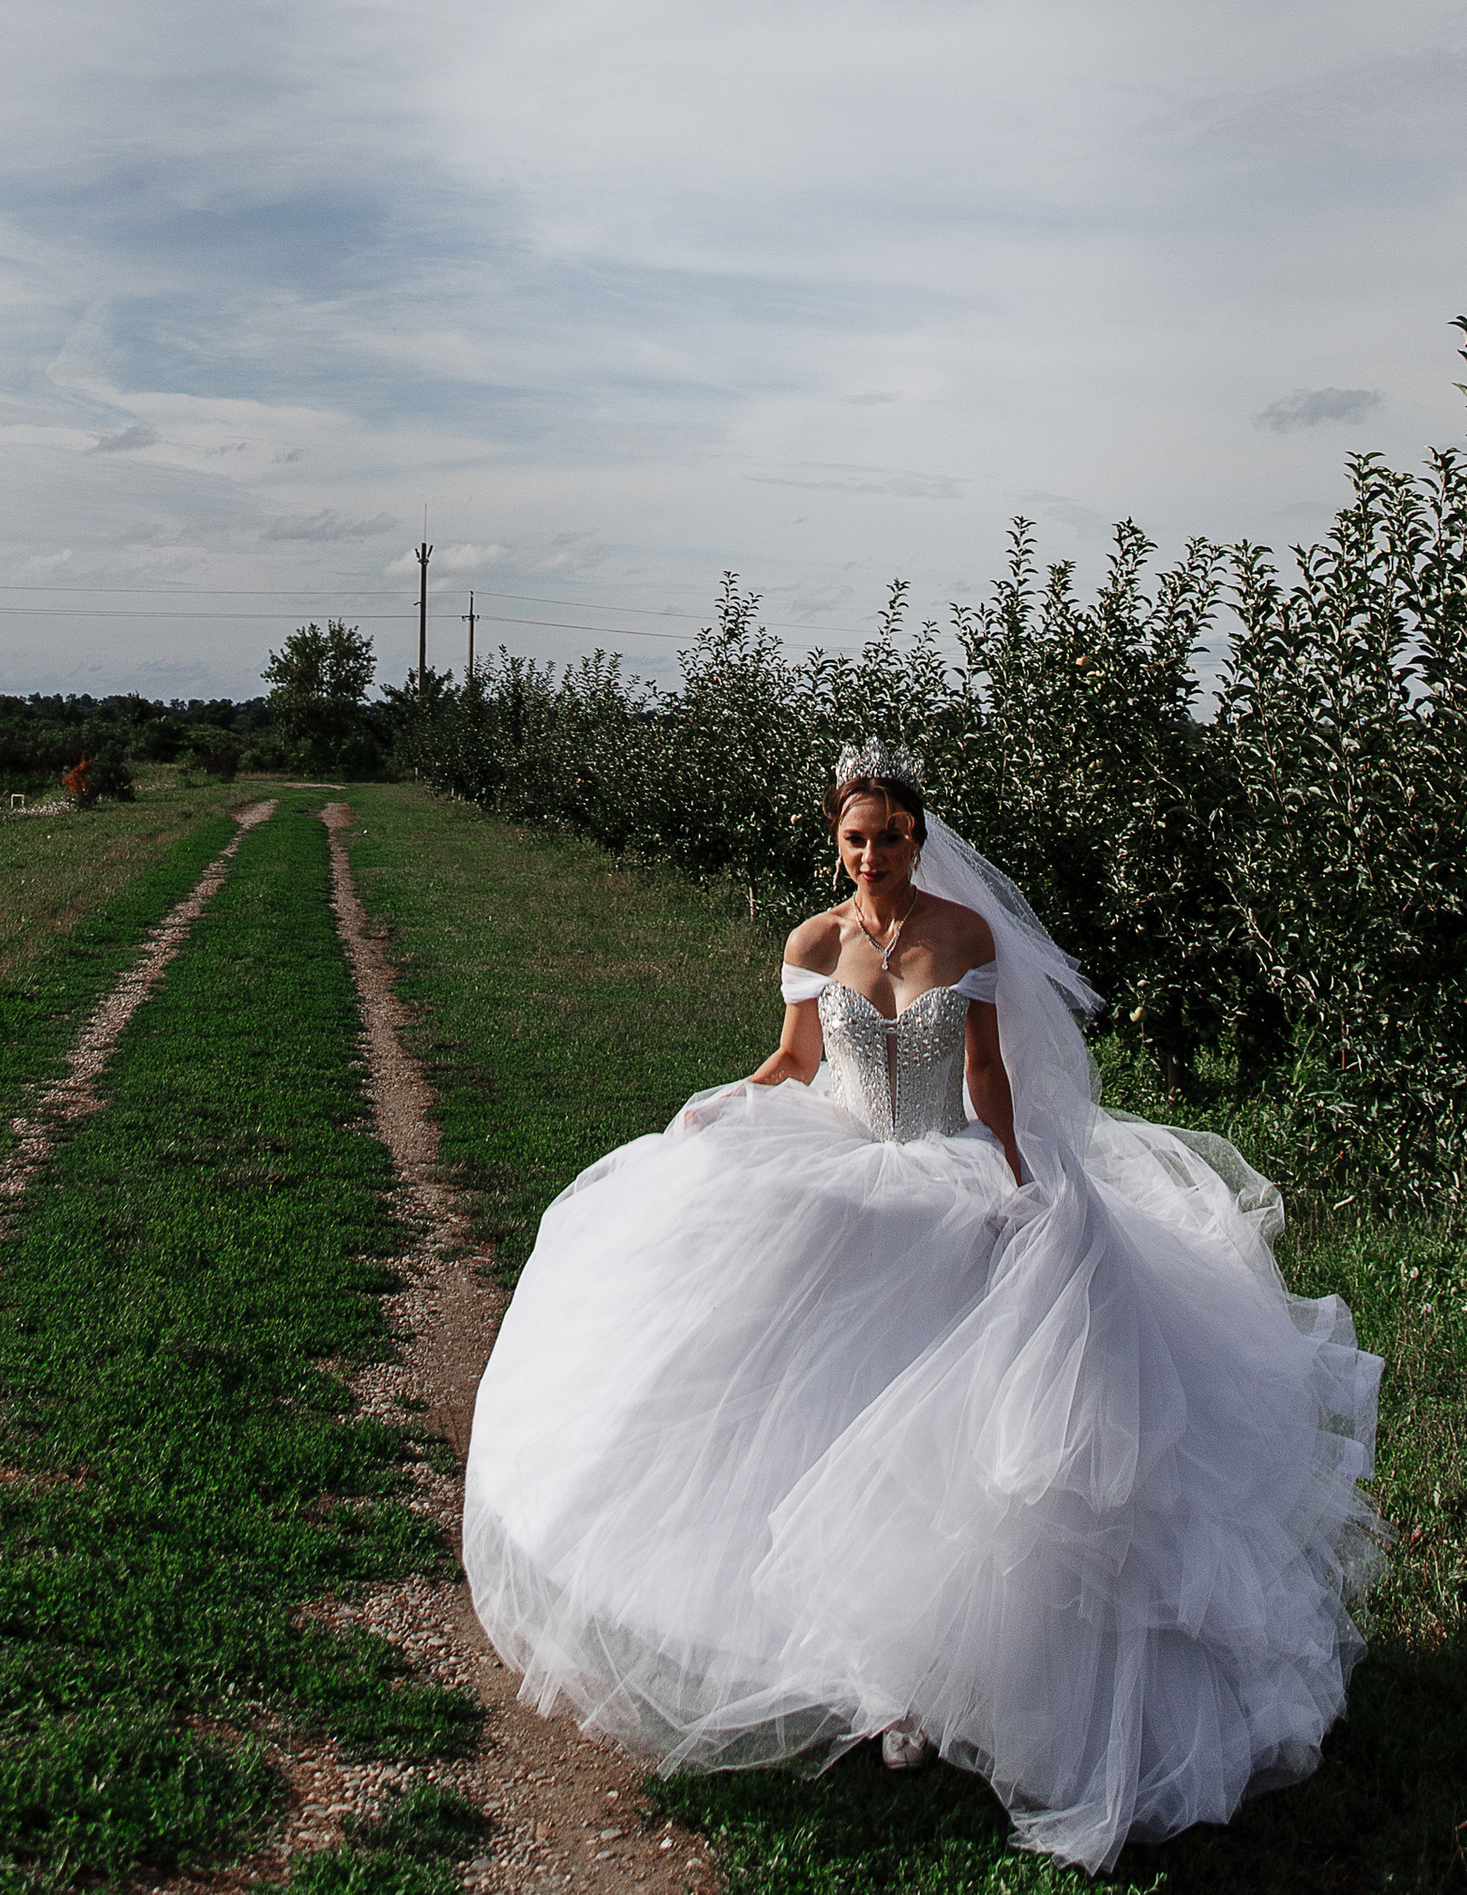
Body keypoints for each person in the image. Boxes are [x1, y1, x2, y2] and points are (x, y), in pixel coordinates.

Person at [462, 741, 1385, 1875]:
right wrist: (723, 1109)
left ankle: (939, 1670)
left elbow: (987, 1074)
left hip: (946, 1168)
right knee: (798, 1398)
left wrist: (1017, 1172)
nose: (873, 854)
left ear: (917, 837)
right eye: (855, 837)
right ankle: (819, 1657)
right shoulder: (811, 941)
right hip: (843, 1167)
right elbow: (796, 1060)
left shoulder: (965, 938)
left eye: (890, 835)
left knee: (956, 1439)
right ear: (834, 840)